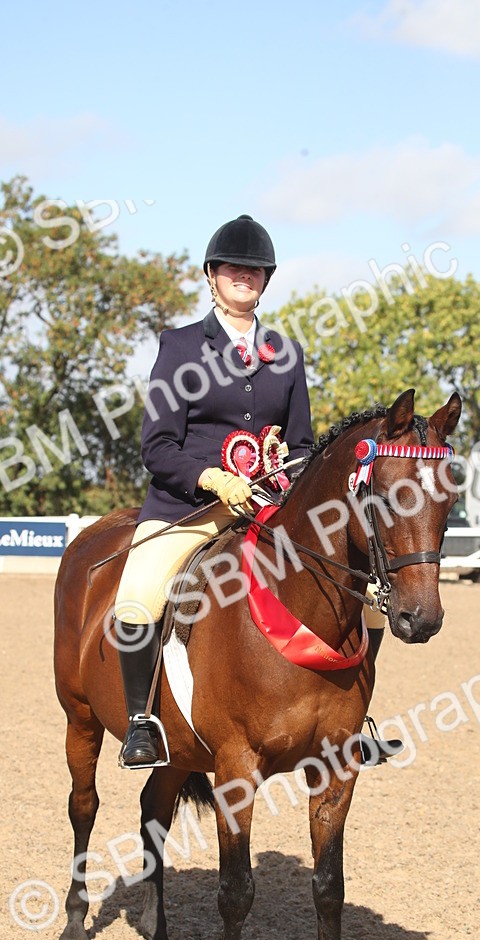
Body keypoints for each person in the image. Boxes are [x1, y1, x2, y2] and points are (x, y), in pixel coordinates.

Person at [113, 214, 393, 768]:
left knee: (373, 603)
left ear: (265, 280)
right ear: (212, 276)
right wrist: (211, 477)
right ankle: (141, 722)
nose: (243, 276)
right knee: (138, 595)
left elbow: (303, 446)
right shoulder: (181, 347)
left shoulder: (285, 354)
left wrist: (288, 487)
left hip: (270, 507)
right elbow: (158, 445)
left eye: (254, 270)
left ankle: (355, 718)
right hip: (189, 507)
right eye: (233, 269)